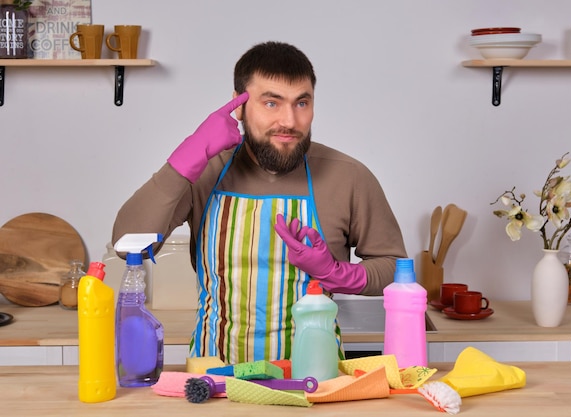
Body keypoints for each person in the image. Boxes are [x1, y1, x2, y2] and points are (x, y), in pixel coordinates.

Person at [112, 41, 407, 364]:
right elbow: (127, 246)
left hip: (315, 381)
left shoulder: (348, 177)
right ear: (238, 106)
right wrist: (184, 160)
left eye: (302, 103)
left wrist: (339, 273)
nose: (289, 121)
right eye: (271, 103)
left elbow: (395, 267)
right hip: (215, 381)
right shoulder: (205, 170)